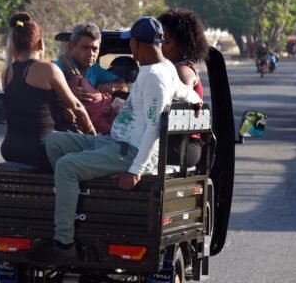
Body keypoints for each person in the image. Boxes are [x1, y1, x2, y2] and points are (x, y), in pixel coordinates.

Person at [26, 16, 203, 265]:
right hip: (113, 143)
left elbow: (154, 128)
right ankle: (78, 203)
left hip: (129, 152)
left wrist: (135, 171)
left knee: (66, 166)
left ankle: (64, 243)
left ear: (137, 44)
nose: (130, 47)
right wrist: (196, 100)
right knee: (55, 141)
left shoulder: (155, 77)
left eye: (131, 42)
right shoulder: (163, 68)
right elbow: (182, 90)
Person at [0, 12, 96, 171]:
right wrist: (92, 135)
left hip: (9, 150)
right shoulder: (48, 69)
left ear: (15, 45)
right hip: (42, 151)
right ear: (40, 43)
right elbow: (76, 106)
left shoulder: (6, 73)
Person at [157, 8, 208, 168]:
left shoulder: (182, 70)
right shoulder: (170, 68)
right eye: (158, 40)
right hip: (175, 142)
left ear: (183, 45)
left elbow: (177, 108)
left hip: (182, 145)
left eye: (166, 42)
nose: (160, 46)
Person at [54, 22, 126, 134]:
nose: (91, 54)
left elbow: (123, 85)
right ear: (70, 47)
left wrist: (113, 86)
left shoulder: (94, 69)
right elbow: (39, 97)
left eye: (95, 49)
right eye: (85, 48)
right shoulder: (56, 69)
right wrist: (65, 95)